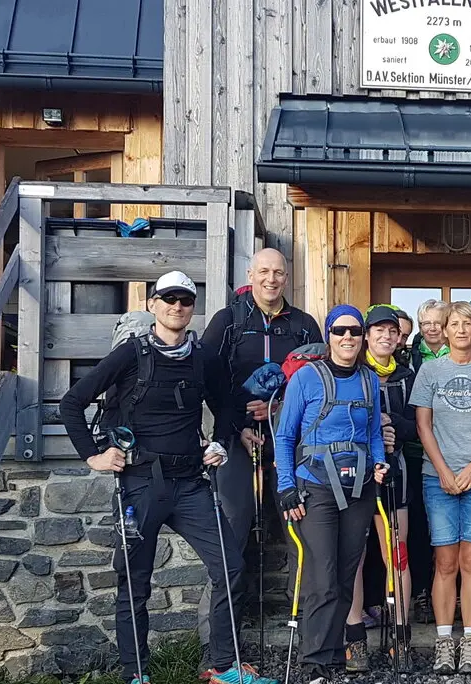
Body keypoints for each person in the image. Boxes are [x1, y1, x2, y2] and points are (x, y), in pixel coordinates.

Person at [58, 271, 258, 684]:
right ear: (152, 304)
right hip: (139, 483)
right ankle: (137, 675)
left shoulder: (204, 358)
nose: (177, 306)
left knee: (232, 567)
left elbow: (228, 406)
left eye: (185, 300)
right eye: (168, 299)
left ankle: (222, 667)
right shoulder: (130, 355)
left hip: (190, 484)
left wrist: (220, 442)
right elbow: (72, 402)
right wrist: (93, 456)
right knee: (135, 583)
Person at [199, 248, 322, 639]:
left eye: (279, 273)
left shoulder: (304, 325)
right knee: (230, 532)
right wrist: (235, 424)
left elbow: (320, 381)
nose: (271, 279)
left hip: (293, 441)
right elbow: (209, 380)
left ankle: (308, 630)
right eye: (264, 272)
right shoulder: (229, 320)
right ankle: (219, 640)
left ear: (287, 277)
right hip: (239, 440)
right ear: (251, 274)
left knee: (301, 534)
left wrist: (283, 405)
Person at [275, 305, 389, 684]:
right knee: (321, 577)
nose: (347, 338)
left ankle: (332, 656)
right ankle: (315, 662)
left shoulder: (370, 381)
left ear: (362, 337)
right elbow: (285, 435)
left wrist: (379, 462)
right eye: (339, 331)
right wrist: (287, 487)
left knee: (343, 576)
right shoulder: (307, 379)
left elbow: (373, 432)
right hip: (315, 486)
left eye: (354, 332)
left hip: (358, 487)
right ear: (328, 335)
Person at [409, 302, 471, 675]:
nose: (461, 330)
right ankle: (444, 642)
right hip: (438, 478)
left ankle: (470, 641)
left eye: (468, 324)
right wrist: (445, 471)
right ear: (444, 331)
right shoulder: (430, 371)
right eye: (455, 324)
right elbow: (423, 425)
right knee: (445, 562)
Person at [344, 305, 417, 671]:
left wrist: (394, 424)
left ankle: (401, 639)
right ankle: (354, 638)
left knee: (397, 553)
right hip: (355, 475)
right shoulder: (352, 371)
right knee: (354, 555)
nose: (386, 337)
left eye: (393, 331)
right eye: (379, 331)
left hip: (396, 472)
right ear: (367, 336)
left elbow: (420, 425)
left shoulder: (408, 375)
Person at [409, 299, 450, 371]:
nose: (432, 328)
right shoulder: (409, 358)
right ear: (420, 328)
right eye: (427, 323)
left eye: (438, 323)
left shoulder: (458, 352)